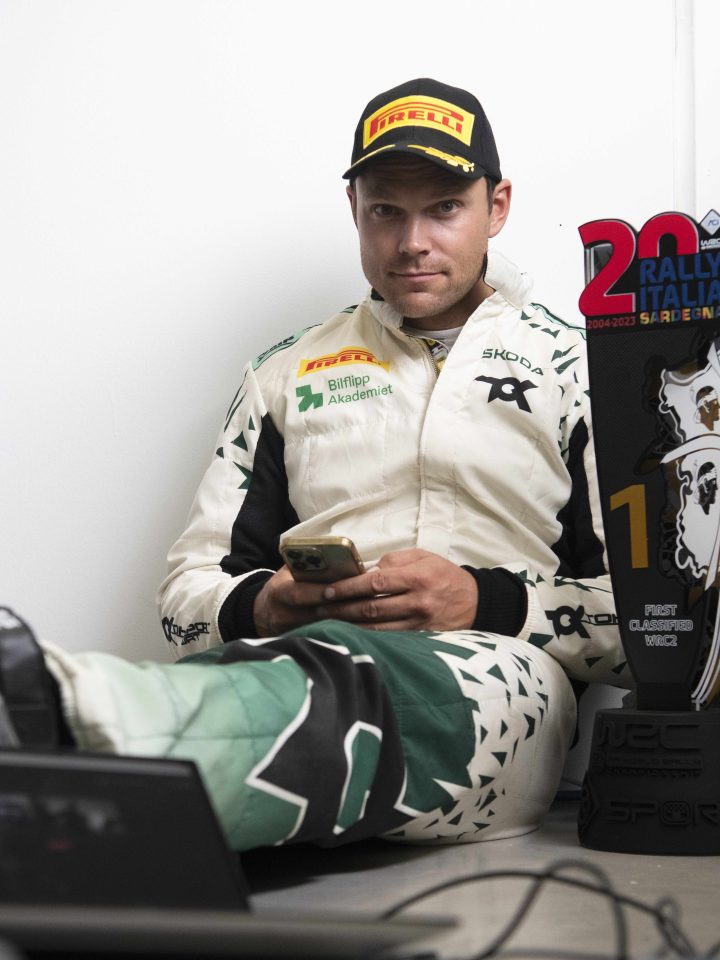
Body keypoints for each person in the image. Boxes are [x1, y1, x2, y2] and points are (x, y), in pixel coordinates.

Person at [4, 78, 630, 853]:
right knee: (276, 679)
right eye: (385, 211)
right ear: (354, 209)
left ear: (496, 206)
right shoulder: (284, 374)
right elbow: (183, 602)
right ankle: (78, 758)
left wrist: (484, 601)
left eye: (444, 208)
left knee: (327, 686)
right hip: (293, 666)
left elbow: (662, 633)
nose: (412, 242)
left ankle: (69, 716)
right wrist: (264, 607)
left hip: (501, 689)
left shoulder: (586, 371)